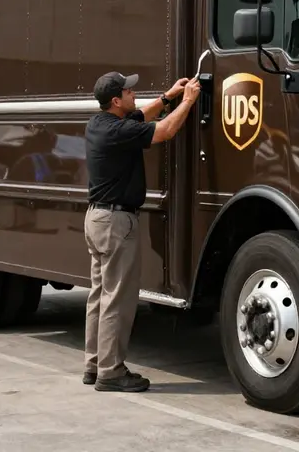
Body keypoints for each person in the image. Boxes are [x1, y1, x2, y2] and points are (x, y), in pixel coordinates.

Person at [82, 70, 201, 392]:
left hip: (98, 220)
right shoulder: (119, 132)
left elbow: (142, 116)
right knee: (117, 300)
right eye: (129, 91)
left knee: (99, 297)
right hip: (116, 223)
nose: (135, 94)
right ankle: (111, 372)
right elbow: (164, 131)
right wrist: (189, 101)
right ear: (116, 100)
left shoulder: (101, 124)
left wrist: (168, 97)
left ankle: (94, 364)